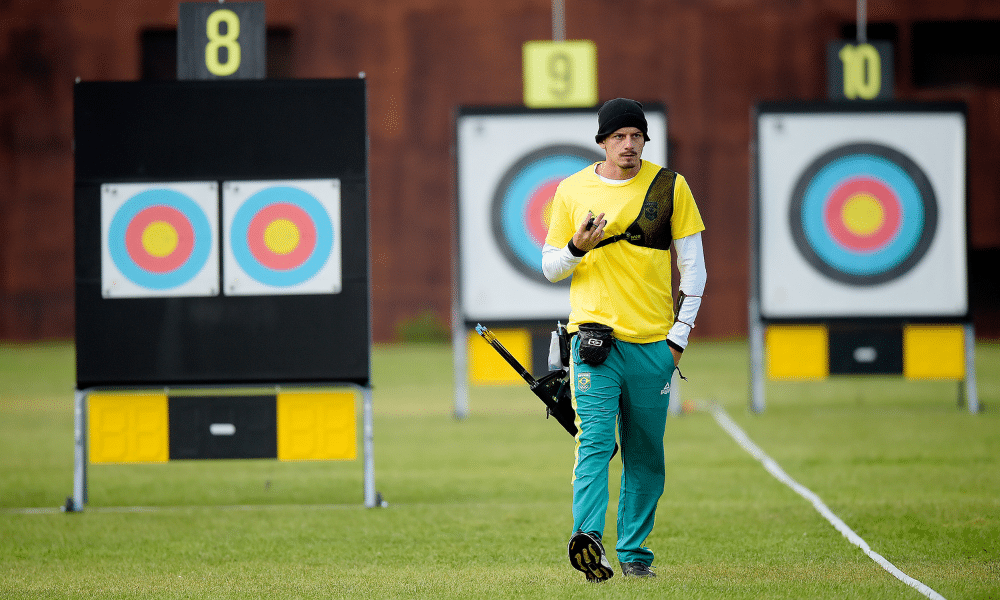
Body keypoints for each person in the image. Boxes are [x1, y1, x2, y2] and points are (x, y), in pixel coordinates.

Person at [541, 98, 707, 581]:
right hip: (594, 341)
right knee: (594, 441)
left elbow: (694, 269)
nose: (629, 144)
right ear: (602, 142)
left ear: (644, 140)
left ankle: (634, 554)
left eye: (636, 136)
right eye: (619, 137)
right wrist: (577, 247)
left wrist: (678, 339)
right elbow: (550, 267)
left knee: (645, 453)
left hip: (655, 344)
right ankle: (589, 540)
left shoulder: (670, 186)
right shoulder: (572, 189)